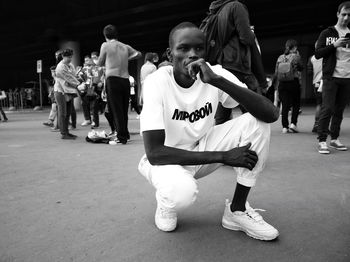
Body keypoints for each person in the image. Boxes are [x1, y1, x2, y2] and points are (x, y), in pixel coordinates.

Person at [138, 22, 279, 241]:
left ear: (207, 51)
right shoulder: (157, 82)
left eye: (199, 48)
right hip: (166, 160)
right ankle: (166, 203)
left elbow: (270, 114)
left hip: (201, 148)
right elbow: (155, 153)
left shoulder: (214, 74)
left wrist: (217, 81)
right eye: (183, 48)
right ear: (170, 53)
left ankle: (237, 211)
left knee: (257, 122)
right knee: (181, 193)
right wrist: (224, 157)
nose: (192, 55)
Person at [203, 0, 268, 125]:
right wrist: (251, 33)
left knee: (222, 116)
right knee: (255, 113)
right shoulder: (236, 6)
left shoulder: (216, 11)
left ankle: (222, 143)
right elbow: (247, 38)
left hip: (221, 65)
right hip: (238, 65)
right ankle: (253, 142)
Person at [95, 24, 141, 144]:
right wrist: (126, 58)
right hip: (125, 79)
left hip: (113, 79)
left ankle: (121, 137)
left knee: (116, 110)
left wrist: (98, 61)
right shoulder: (125, 46)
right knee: (124, 108)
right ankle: (125, 134)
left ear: (105, 35)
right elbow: (138, 54)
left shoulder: (105, 45)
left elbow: (100, 62)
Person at [315, 1, 350, 154]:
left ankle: (334, 139)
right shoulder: (327, 33)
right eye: (343, 14)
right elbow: (318, 53)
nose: (346, 18)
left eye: (349, 15)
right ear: (337, 14)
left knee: (339, 110)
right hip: (331, 77)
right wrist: (335, 45)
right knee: (327, 108)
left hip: (347, 77)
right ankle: (322, 140)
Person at [274, 39, 303, 134]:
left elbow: (276, 72)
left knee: (285, 105)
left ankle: (284, 127)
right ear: (294, 47)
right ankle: (293, 124)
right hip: (293, 82)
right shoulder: (296, 57)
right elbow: (301, 68)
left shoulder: (280, 57)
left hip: (282, 84)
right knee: (296, 104)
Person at [54, 48, 80, 140]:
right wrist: (79, 85)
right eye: (68, 57)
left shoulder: (70, 65)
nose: (70, 59)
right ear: (63, 56)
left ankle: (67, 132)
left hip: (69, 91)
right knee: (63, 113)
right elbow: (70, 78)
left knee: (68, 112)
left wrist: (79, 77)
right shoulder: (60, 67)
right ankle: (63, 133)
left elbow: (74, 76)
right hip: (60, 92)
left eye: (71, 57)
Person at [308, 42, 323, 133]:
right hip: (325, 81)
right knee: (326, 105)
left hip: (316, 82)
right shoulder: (327, 56)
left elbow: (309, 73)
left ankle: (316, 124)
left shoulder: (312, 58)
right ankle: (323, 126)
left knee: (319, 103)